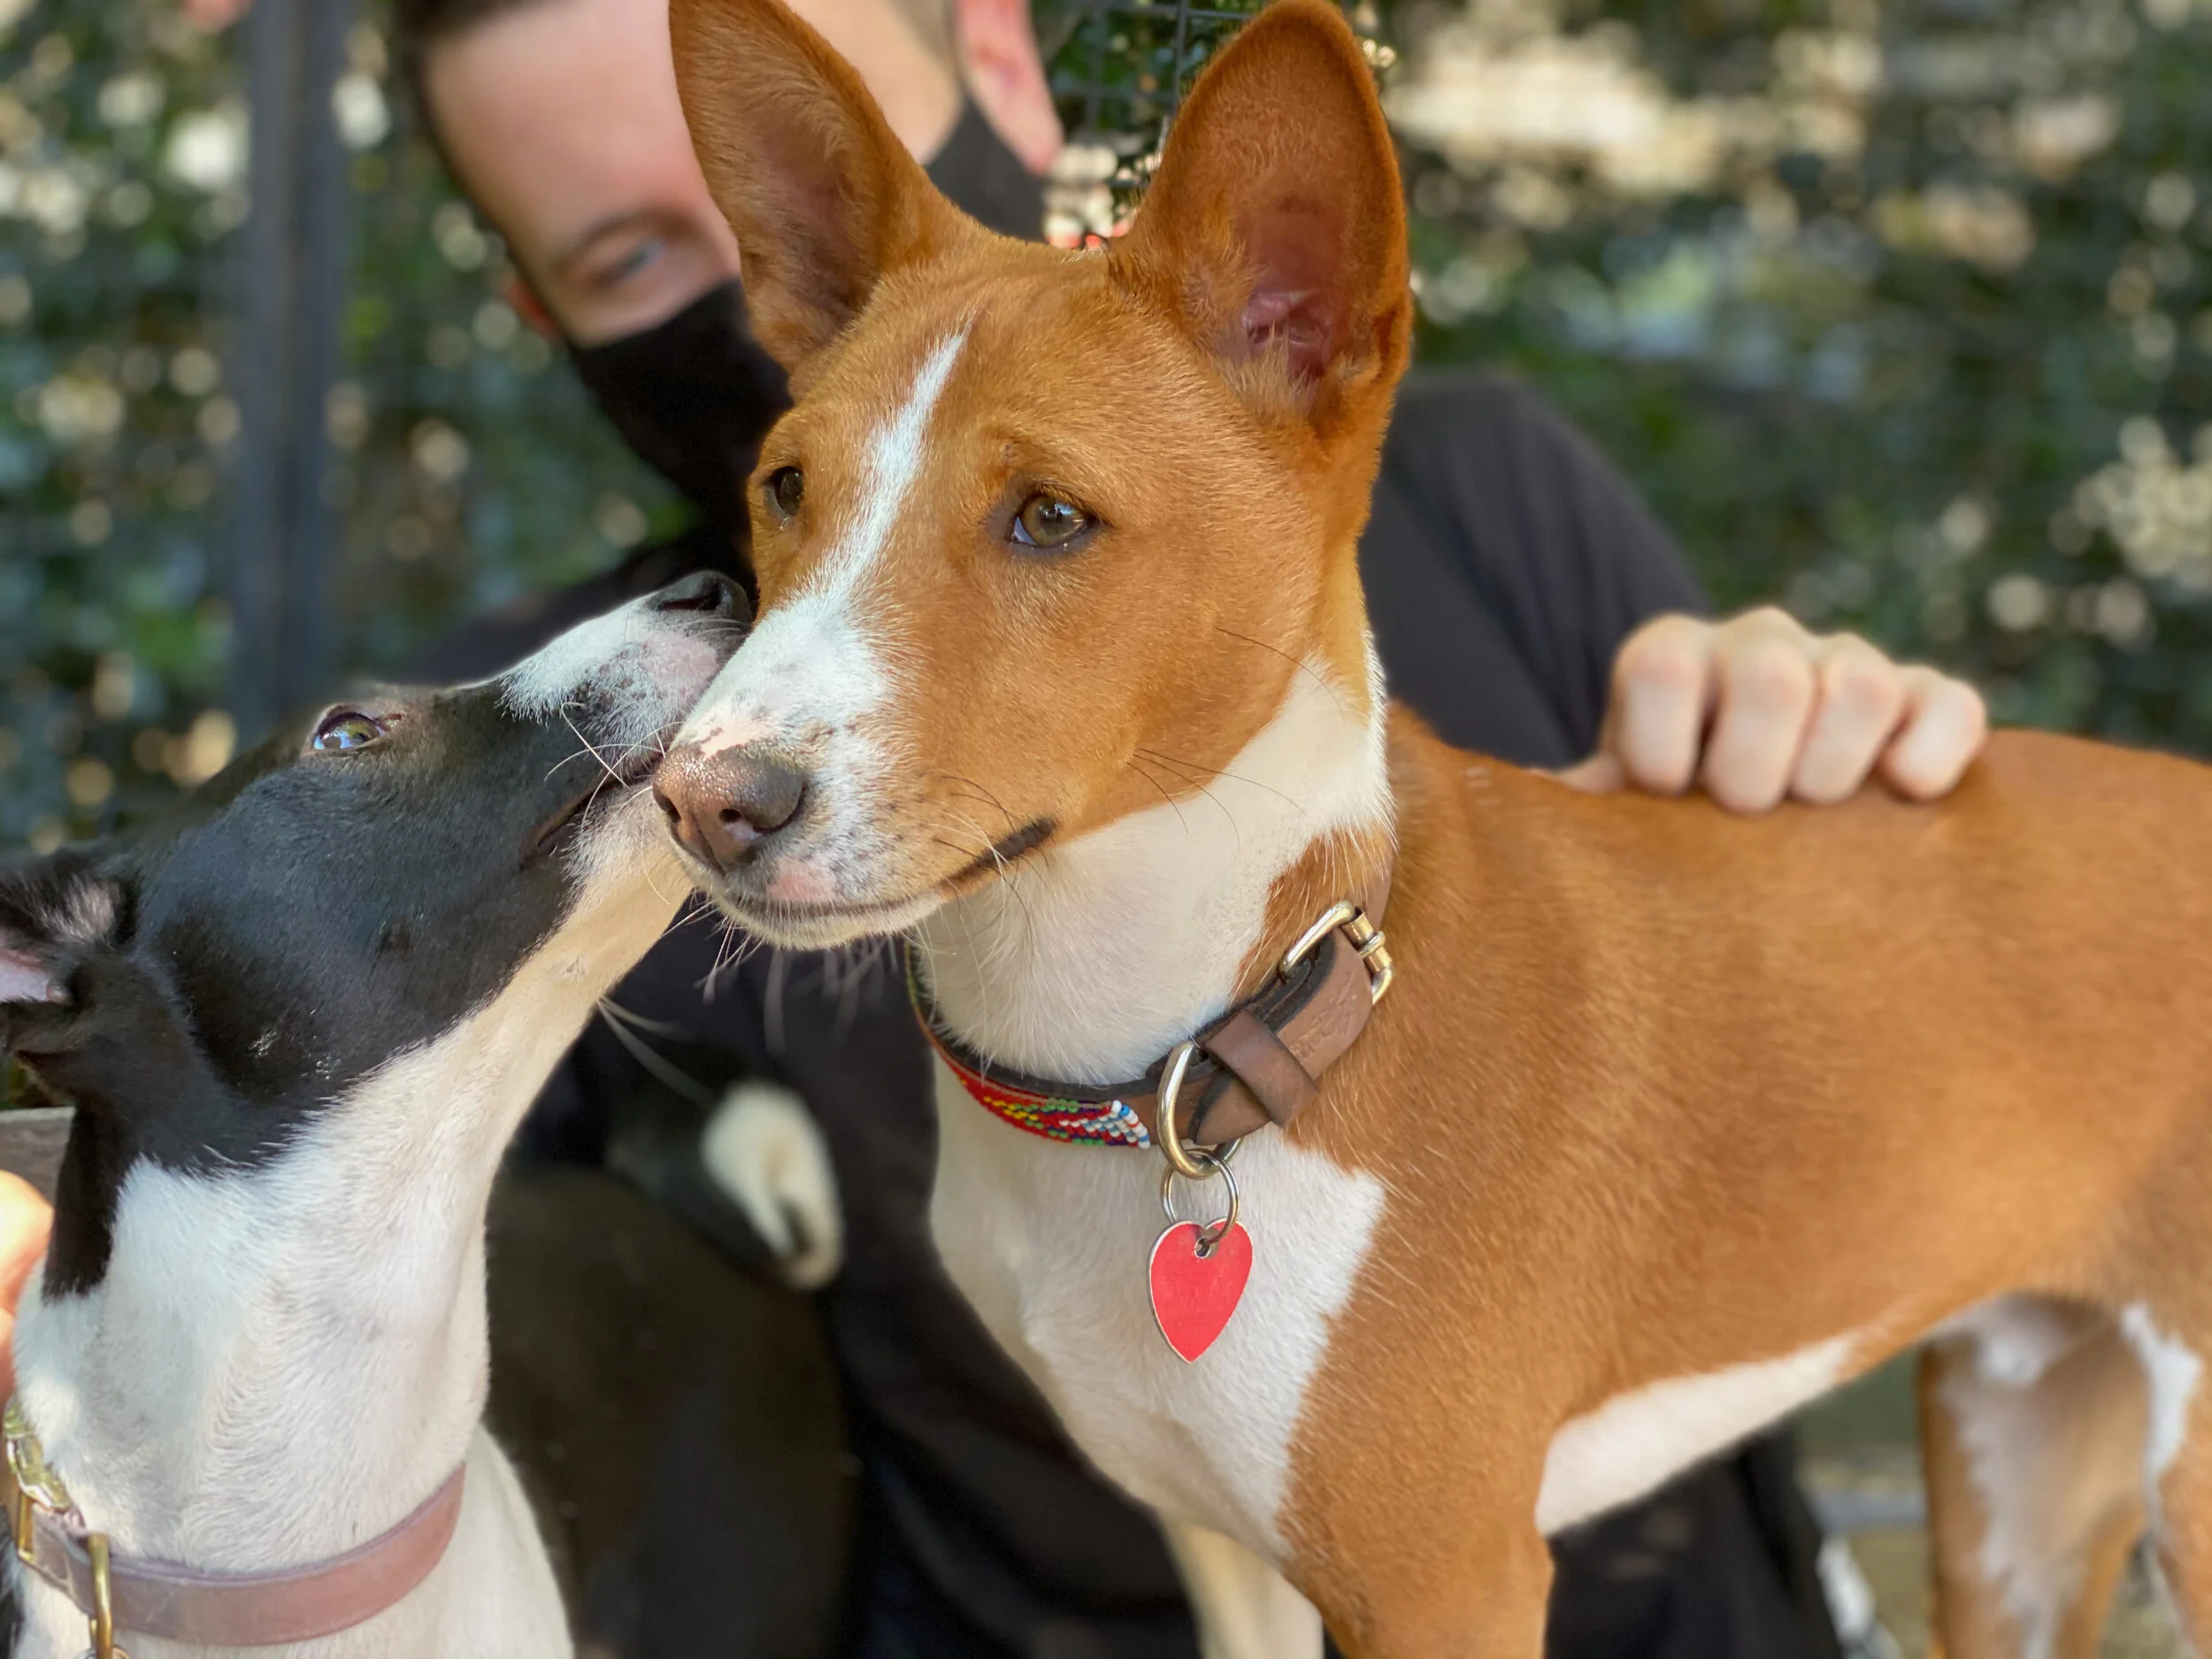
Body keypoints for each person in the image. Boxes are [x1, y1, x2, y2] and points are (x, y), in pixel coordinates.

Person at [0, 0, 1990, 1654]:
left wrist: (1820, 736)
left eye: (1045, 523)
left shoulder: (1472, 497)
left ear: (1005, 69)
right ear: (540, 310)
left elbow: (1817, 968)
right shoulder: (573, 765)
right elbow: (237, 1115)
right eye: (637, 253)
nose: (750, 280)